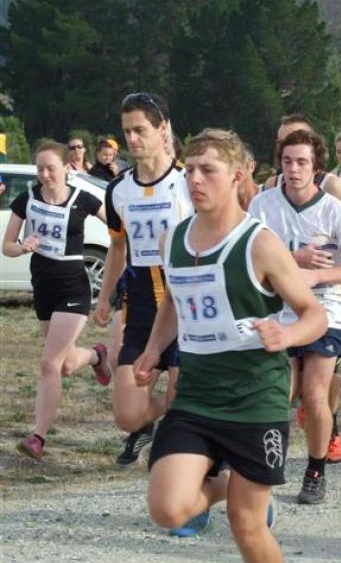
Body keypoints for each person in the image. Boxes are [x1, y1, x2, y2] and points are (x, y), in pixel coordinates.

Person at [134, 128, 327, 560]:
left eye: (209, 171)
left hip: (255, 399)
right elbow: (175, 303)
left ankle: (238, 490)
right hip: (197, 397)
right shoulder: (173, 241)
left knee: (247, 525)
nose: (195, 180)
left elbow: (315, 315)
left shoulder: (259, 244)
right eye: (190, 170)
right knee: (168, 510)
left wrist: (287, 334)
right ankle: (223, 484)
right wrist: (152, 350)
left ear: (238, 176)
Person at [249, 129, 341, 505]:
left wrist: (316, 274)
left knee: (315, 394)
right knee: (277, 394)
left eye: (302, 162)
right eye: (287, 162)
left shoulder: (333, 210)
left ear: (317, 166)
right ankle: (267, 463)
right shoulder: (263, 205)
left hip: (323, 308)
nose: (294, 169)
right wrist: (292, 260)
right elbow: (247, 254)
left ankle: (316, 469)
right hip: (278, 309)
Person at [93, 92, 192, 467]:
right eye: (126, 132)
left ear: (161, 129)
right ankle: (151, 427)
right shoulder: (119, 188)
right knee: (127, 415)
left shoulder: (187, 181)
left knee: (179, 403)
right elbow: (118, 247)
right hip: (140, 307)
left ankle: (185, 447)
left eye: (139, 130)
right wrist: (104, 297)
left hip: (184, 307)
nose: (132, 139)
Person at [3, 140, 111, 460]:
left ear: (67, 167)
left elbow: (118, 227)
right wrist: (23, 247)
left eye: (51, 168)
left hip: (73, 289)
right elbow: (6, 245)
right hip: (43, 288)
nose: (45, 174)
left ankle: (38, 437)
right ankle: (95, 356)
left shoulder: (83, 199)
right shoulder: (29, 198)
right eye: (40, 169)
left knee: (49, 363)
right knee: (63, 364)